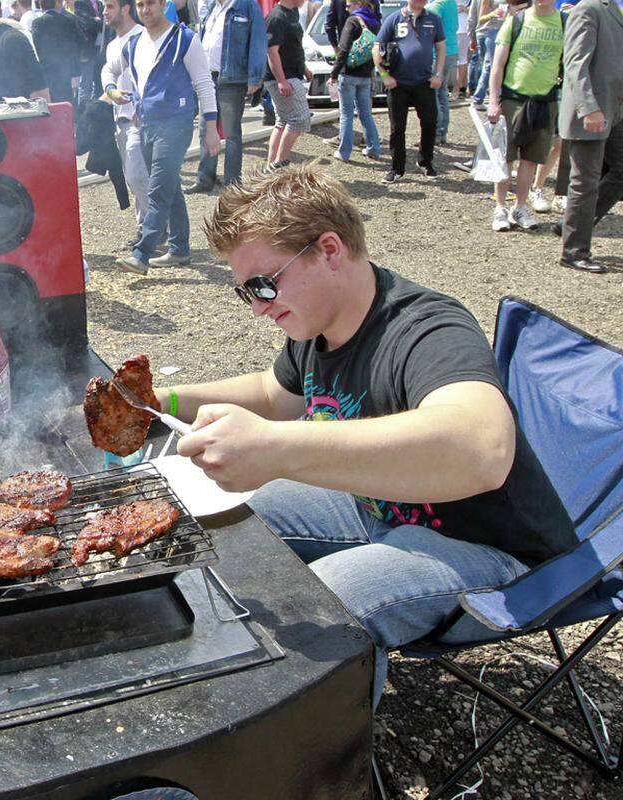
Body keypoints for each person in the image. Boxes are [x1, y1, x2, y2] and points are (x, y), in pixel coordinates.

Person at [161, 163, 577, 705]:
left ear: (329, 250)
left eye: (264, 284)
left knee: (322, 604)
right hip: (381, 510)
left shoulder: (427, 329)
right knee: (234, 529)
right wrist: (160, 400)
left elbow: (480, 450)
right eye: (246, 293)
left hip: (490, 550)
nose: (260, 307)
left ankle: (328, 775)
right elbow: (272, 394)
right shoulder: (319, 323)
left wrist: (275, 448)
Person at [105, 0, 220, 275]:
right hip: (146, 125)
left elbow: (204, 84)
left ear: (163, 4)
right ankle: (179, 248)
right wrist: (111, 91)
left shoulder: (184, 39)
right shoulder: (132, 44)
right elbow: (109, 70)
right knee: (170, 187)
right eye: (140, 4)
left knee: (158, 188)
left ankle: (142, 253)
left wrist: (212, 128)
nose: (145, 10)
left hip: (176, 124)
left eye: (150, 4)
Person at [554, 0, 622, 272]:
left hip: (615, 109)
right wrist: (588, 108)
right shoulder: (589, 8)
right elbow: (575, 63)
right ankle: (574, 252)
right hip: (591, 110)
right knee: (585, 181)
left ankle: (574, 223)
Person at [485, 0, 564, 232]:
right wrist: (493, 100)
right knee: (505, 157)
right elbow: (497, 66)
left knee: (530, 159)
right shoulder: (515, 21)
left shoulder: (564, 23)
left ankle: (520, 206)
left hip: (545, 100)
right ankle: (500, 208)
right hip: (513, 98)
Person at [187, 0, 267, 192]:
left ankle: (232, 182)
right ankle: (205, 179)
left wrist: (255, 77)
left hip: (232, 80)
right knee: (206, 130)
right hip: (208, 79)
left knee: (231, 134)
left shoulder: (247, 5)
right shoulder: (214, 7)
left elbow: (258, 41)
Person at [374, 0, 446, 182]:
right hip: (398, 84)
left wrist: (438, 74)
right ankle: (396, 168)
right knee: (397, 128)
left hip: (424, 82)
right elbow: (376, 47)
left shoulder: (434, 19)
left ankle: (425, 162)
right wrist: (384, 75)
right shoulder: (394, 19)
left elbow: (441, 46)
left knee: (430, 123)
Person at [101, 0, 149, 245]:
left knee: (136, 176)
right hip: (119, 119)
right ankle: (145, 228)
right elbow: (108, 73)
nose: (104, 12)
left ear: (125, 8)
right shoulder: (111, 45)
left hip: (139, 118)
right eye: (104, 6)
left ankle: (155, 226)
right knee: (134, 178)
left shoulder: (142, 36)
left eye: (109, 6)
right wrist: (107, 96)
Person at [328, 0, 382, 162]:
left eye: (349, 4)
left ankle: (344, 152)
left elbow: (343, 50)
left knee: (346, 114)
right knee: (366, 114)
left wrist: (334, 74)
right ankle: (373, 148)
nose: (346, 8)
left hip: (349, 74)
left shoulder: (352, 21)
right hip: (366, 74)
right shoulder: (375, 22)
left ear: (358, 4)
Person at [263, 0, 313, 169]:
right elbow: (272, 51)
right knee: (299, 119)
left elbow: (293, 46)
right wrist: (281, 81)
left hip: (292, 74)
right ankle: (279, 164)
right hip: (283, 77)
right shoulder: (276, 17)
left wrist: (304, 68)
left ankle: (272, 166)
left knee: (284, 120)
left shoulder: (292, 13)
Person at [32, 0, 84, 102]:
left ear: (41, 6)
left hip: (47, 72)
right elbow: (80, 41)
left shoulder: (38, 23)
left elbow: (36, 46)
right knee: (67, 104)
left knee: (52, 106)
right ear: (57, 3)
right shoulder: (69, 20)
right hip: (66, 71)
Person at [426, 0, 459, 145]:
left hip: (438, 53)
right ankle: (442, 132)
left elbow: (428, 18)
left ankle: (436, 133)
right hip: (451, 51)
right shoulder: (451, 3)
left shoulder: (437, 5)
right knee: (442, 94)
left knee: (433, 94)